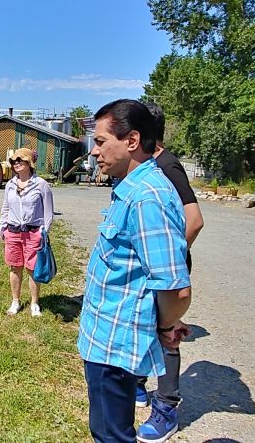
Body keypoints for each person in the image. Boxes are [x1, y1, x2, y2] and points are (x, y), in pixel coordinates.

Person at [77, 99, 191, 443]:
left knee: (111, 435)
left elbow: (175, 288)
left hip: (116, 343)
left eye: (100, 142)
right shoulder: (130, 192)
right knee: (106, 429)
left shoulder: (146, 198)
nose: (95, 152)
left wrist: (166, 324)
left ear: (131, 140)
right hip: (105, 338)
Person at [132, 102, 204, 442]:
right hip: (154, 266)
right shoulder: (148, 166)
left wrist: (169, 259)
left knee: (168, 335)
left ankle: (167, 408)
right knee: (147, 326)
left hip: (166, 269)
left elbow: (195, 220)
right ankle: (139, 386)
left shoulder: (168, 165)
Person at [0, 148, 54, 316]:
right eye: (14, 161)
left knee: (32, 268)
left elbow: (48, 212)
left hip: (33, 232)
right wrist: (3, 228)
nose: (16, 164)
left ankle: (34, 303)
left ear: (29, 163)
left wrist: (44, 232)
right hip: (13, 232)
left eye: (19, 160)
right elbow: (6, 207)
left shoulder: (41, 185)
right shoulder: (10, 185)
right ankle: (15, 302)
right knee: (15, 267)